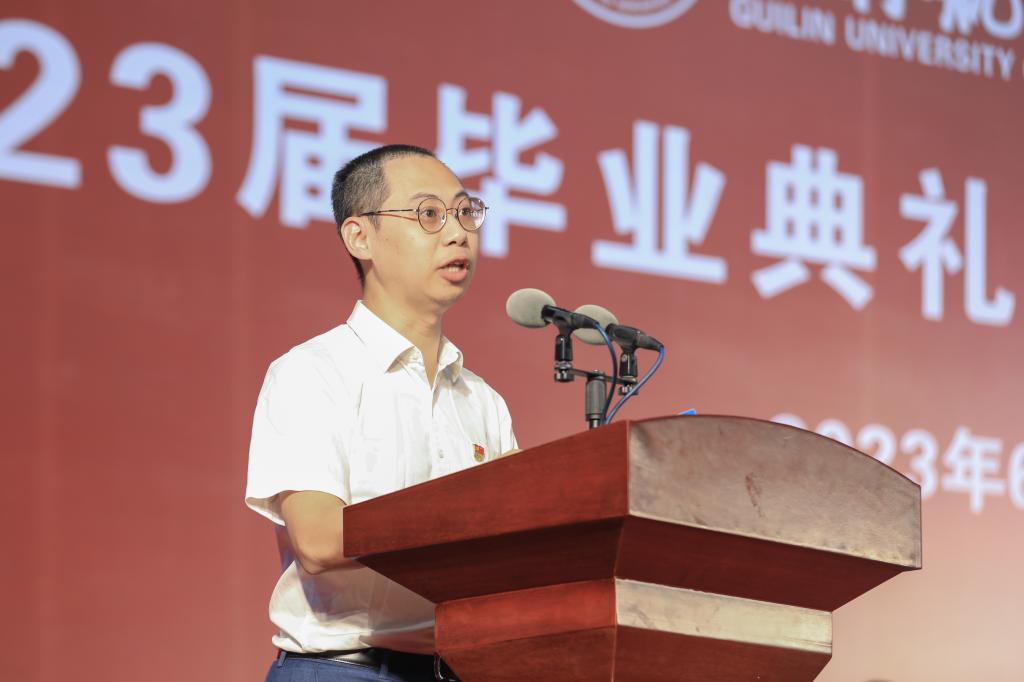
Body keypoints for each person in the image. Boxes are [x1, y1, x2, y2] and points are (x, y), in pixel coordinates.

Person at [245, 144, 518, 681]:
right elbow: (320, 540)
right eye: (429, 214)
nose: (458, 233)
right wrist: (467, 519)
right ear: (359, 237)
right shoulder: (313, 372)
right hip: (342, 670)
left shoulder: (482, 401)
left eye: (465, 212)